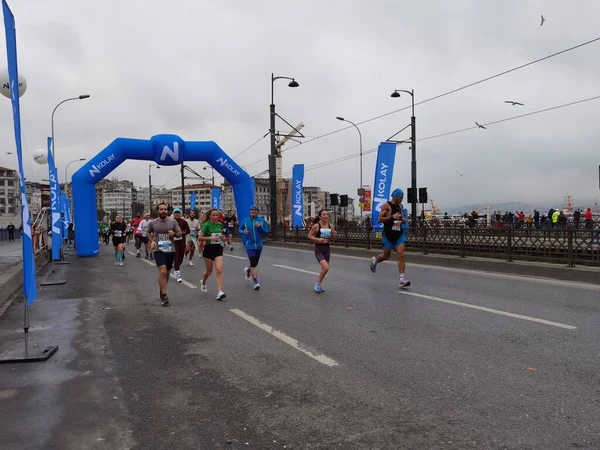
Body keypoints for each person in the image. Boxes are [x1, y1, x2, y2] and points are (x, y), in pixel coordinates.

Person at [370, 188, 411, 288]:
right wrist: (392, 217)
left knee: (401, 254)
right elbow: (379, 219)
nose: (402, 199)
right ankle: (375, 261)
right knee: (386, 256)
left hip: (398, 234)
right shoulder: (386, 206)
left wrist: (403, 219)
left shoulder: (400, 206)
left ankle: (401, 280)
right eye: (401, 198)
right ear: (396, 197)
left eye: (402, 198)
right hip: (388, 235)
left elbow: (400, 217)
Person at [147, 203, 182, 306]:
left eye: (165, 209)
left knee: (166, 273)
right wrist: (151, 241)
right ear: (158, 210)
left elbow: (180, 233)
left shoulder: (173, 222)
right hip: (158, 249)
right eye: (161, 209)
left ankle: (162, 290)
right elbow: (148, 232)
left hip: (170, 250)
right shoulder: (153, 223)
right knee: (162, 271)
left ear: (167, 211)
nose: (163, 211)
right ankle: (165, 295)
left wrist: (174, 234)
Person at [238, 205, 270, 290]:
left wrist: (260, 227)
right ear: (249, 211)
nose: (253, 211)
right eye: (252, 210)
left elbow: (266, 232)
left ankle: (248, 271)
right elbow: (240, 229)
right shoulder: (245, 221)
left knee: (254, 264)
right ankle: (256, 282)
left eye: (255, 210)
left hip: (259, 245)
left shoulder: (262, 220)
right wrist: (243, 231)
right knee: (253, 263)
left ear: (257, 212)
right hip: (250, 245)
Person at [198, 209, 226, 300]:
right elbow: (200, 237)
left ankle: (219, 292)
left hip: (218, 248)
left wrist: (222, 237)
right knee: (209, 272)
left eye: (216, 215)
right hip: (208, 249)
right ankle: (203, 282)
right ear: (210, 216)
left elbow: (221, 235)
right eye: (213, 215)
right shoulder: (206, 225)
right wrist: (210, 237)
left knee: (219, 270)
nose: (215, 217)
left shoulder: (219, 224)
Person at [307, 209, 337, 293]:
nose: (326, 216)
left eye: (327, 214)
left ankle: (319, 284)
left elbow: (332, 237)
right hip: (319, 248)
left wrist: (334, 235)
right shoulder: (316, 226)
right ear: (320, 216)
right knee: (326, 268)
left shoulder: (331, 226)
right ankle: (318, 284)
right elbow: (309, 236)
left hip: (327, 249)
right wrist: (318, 239)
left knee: (323, 269)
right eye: (324, 214)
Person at [172, 208, 190, 283]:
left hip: (182, 241)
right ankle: (178, 273)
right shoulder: (170, 222)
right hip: (174, 241)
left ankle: (176, 267)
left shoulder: (184, 222)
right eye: (176, 213)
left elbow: (188, 230)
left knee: (181, 256)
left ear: (180, 214)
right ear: (173, 214)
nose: (177, 214)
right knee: (176, 257)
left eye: (178, 213)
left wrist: (183, 232)